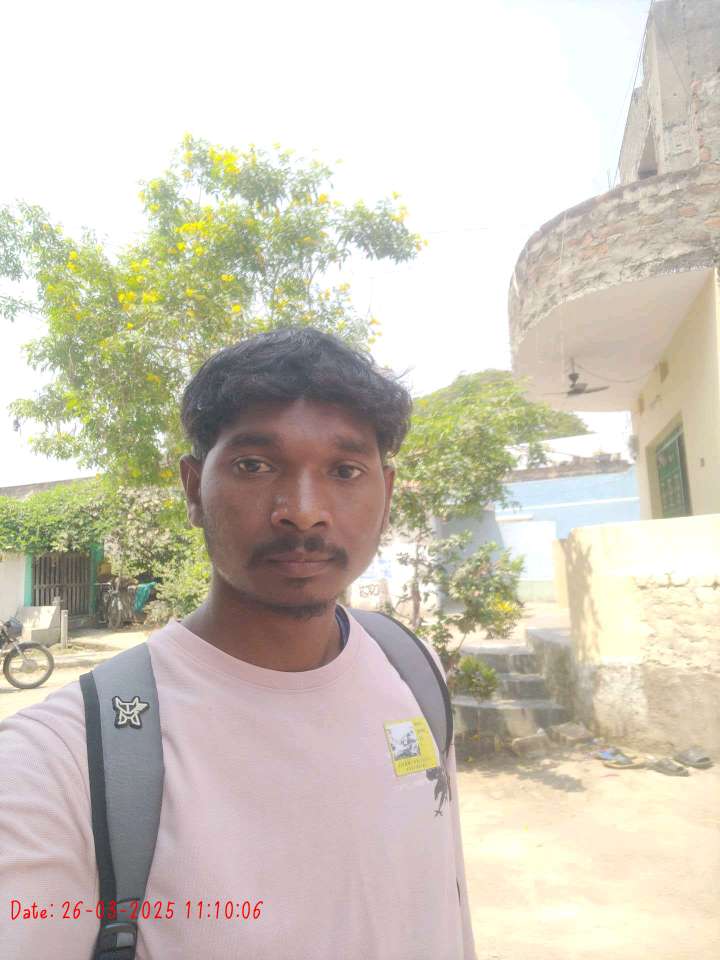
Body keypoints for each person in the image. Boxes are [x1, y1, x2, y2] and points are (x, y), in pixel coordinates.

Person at [0, 327, 477, 959]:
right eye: (255, 465)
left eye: (345, 471)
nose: (303, 510)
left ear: (385, 495)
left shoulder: (412, 670)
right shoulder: (61, 761)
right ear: (193, 488)